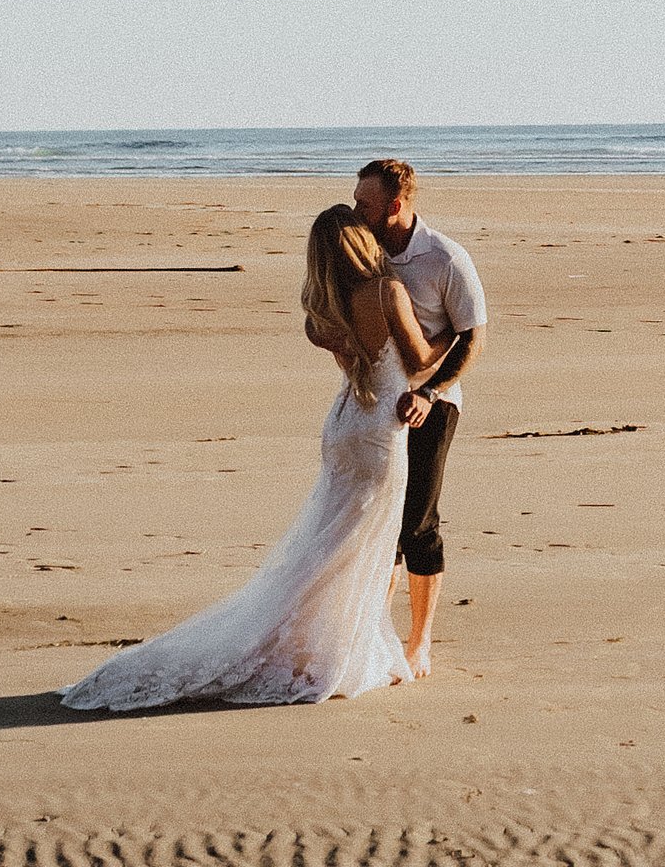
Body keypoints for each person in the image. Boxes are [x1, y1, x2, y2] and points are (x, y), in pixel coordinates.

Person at [62, 206, 441, 713]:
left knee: (328, 538)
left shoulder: (320, 307)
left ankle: (317, 639)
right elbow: (417, 361)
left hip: (345, 422)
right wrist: (458, 334)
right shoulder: (386, 292)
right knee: (361, 542)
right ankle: (338, 648)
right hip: (380, 431)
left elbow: (356, 366)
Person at [348, 156, 488, 682]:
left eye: (366, 202)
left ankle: (420, 642)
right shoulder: (361, 255)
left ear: (396, 206)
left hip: (435, 403)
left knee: (417, 523)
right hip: (375, 406)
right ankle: (372, 634)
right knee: (377, 522)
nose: (356, 209)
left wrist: (429, 392)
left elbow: (470, 336)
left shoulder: (445, 258)